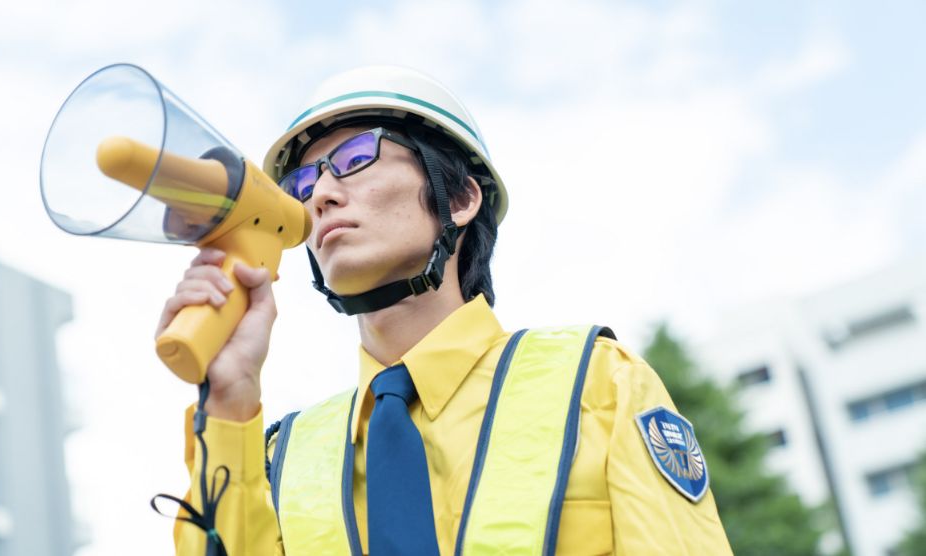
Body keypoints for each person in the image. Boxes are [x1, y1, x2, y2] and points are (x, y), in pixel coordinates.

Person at [161, 66, 733, 555]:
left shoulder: (596, 386)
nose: (321, 196)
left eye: (356, 158)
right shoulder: (282, 454)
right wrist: (231, 401)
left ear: (459, 198)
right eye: (304, 181)